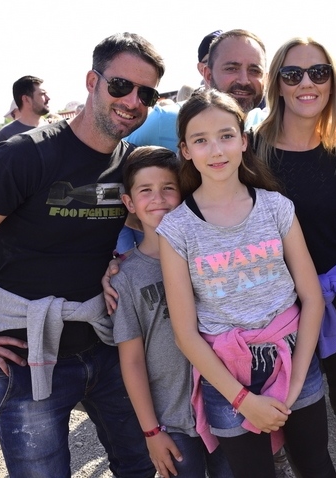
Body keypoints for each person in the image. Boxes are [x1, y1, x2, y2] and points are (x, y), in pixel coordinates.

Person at [0, 32, 165, 477]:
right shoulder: (25, 155)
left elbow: (159, 230)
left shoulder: (131, 165)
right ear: (92, 82)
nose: (133, 101)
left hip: (106, 342)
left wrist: (122, 264)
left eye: (146, 94)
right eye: (121, 86)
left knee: (139, 465)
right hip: (23, 352)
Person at [156, 89, 335, 478]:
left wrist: (295, 384)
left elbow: (312, 298)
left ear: (243, 140)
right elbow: (185, 334)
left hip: (293, 358)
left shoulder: (276, 207)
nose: (216, 150)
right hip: (226, 375)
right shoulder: (176, 228)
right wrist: (243, 400)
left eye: (225, 135)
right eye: (201, 140)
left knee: (316, 466)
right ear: (185, 150)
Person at [253, 37, 336, 477]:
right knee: (298, 420)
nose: (307, 83)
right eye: (293, 74)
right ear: (277, 84)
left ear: (333, 82)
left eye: (319, 72)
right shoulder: (251, 150)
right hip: (280, 306)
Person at [111, 146, 231, 478]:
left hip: (227, 404)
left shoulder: (210, 256)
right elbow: (132, 360)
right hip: (172, 420)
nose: (158, 199)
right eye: (145, 190)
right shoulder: (125, 277)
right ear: (129, 203)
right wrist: (151, 431)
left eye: (168, 188)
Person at [127, 29, 267, 150]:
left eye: (255, 70)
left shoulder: (268, 128)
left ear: (266, 79)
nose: (244, 80)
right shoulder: (164, 121)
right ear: (208, 75)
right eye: (231, 69)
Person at [0, 76, 51, 142]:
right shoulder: (6, 134)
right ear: (26, 99)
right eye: (42, 94)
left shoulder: (53, 128)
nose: (48, 98)